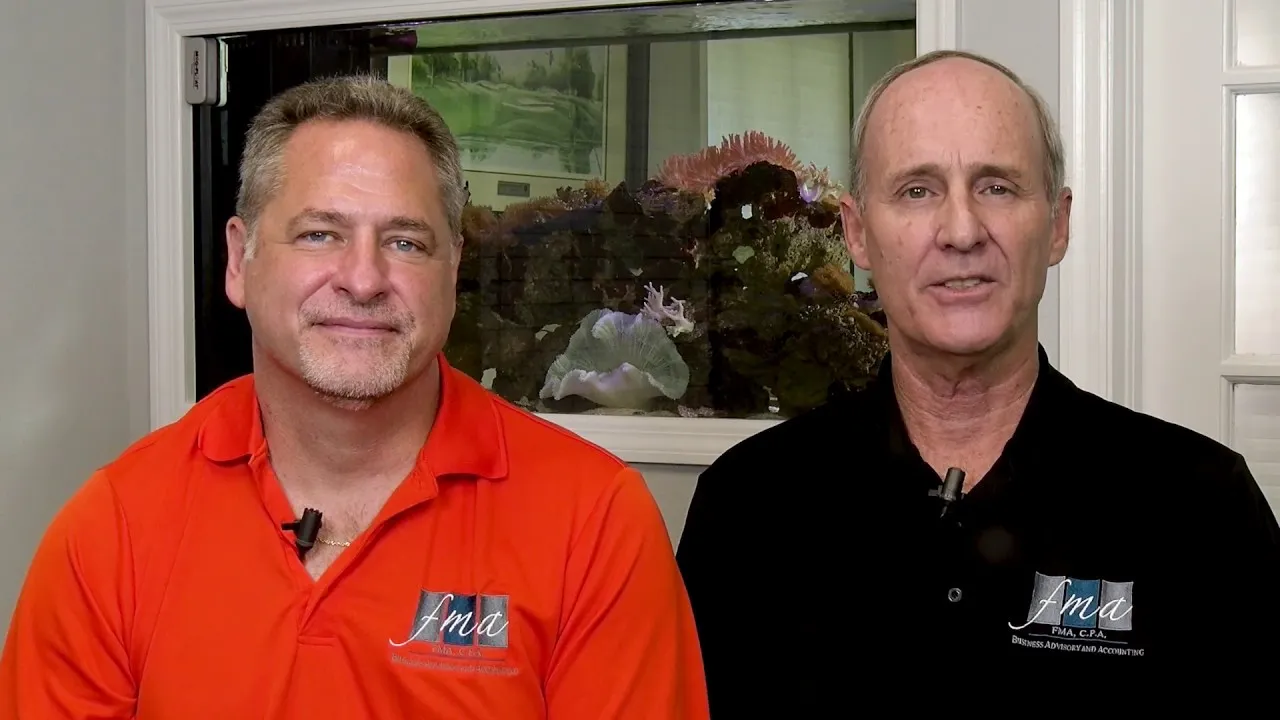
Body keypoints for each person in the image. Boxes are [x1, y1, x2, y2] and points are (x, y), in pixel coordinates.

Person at [0, 75, 709, 719]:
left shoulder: (594, 523)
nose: (363, 280)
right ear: (240, 261)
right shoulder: (117, 525)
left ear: (452, 269)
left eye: (405, 243)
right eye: (319, 234)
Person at [676, 49, 1280, 708]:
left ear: (1057, 225)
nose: (961, 231)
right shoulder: (748, 508)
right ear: (857, 232)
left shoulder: (1202, 507)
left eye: (997, 187)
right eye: (917, 190)